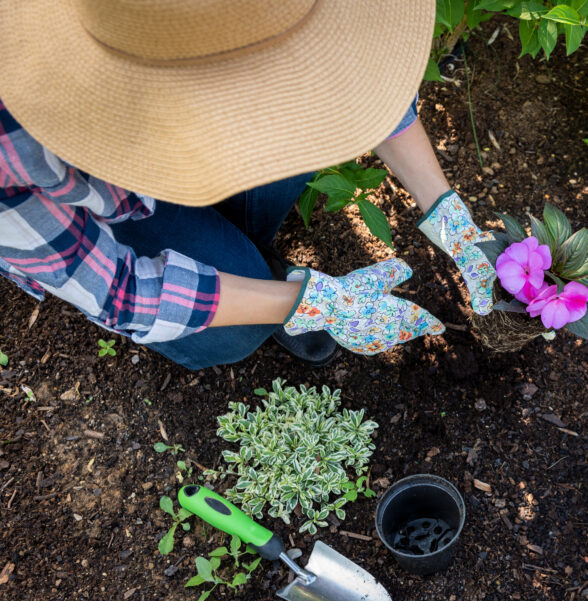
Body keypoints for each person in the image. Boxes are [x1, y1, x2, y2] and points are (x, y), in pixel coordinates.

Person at [0, 0, 497, 370]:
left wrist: (446, 209)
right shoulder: (14, 139)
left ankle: (243, 259)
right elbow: (120, 290)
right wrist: (312, 302)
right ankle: (252, 277)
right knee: (229, 338)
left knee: (297, 146)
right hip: (111, 208)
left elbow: (361, 84)